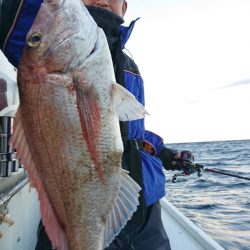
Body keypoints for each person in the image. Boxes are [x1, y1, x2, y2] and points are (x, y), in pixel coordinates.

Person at [0, 0, 187, 249]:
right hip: (80, 207)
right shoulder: (39, 45)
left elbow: (131, 131)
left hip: (146, 215)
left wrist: (163, 152)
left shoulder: (127, 65)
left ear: (125, 8)